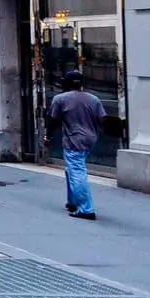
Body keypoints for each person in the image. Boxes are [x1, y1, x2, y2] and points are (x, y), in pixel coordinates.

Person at [47, 72, 107, 220]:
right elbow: (103, 120)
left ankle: (86, 208)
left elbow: (53, 120)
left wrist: (48, 137)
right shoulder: (94, 99)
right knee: (71, 169)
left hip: (74, 139)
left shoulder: (60, 99)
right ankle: (73, 201)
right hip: (90, 138)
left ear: (65, 84)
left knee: (77, 172)